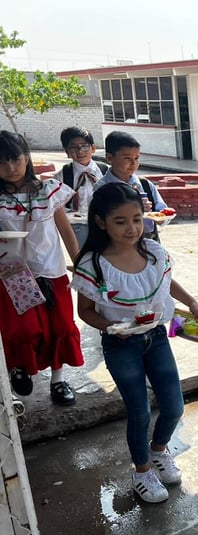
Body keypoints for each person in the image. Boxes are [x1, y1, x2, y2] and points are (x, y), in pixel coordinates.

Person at [71, 183, 198, 503]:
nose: (132, 228)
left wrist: (193, 304)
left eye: (137, 219)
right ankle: (142, 471)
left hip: (157, 337)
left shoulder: (154, 252)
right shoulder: (93, 264)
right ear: (101, 222)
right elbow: (85, 311)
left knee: (174, 406)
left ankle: (159, 451)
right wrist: (111, 327)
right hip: (121, 345)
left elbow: (168, 285)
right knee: (140, 412)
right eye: (121, 221)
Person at [0, 130, 83, 406]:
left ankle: (58, 380)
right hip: (13, 275)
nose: (11, 168)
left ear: (27, 157)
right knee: (22, 329)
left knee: (59, 326)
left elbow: (65, 229)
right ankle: (19, 368)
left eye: (15, 159)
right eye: (2, 162)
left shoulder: (48, 191)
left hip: (52, 271)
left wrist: (81, 264)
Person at [94, 131, 166, 241]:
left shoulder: (144, 184)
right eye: (127, 158)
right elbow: (99, 220)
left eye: (136, 158)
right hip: (115, 244)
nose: (133, 163)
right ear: (109, 158)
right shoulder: (101, 188)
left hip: (148, 241)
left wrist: (161, 217)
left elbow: (161, 211)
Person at [59, 126, 107, 247]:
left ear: (93, 148)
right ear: (67, 151)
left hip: (105, 225)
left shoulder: (106, 171)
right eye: (74, 147)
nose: (80, 151)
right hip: (76, 227)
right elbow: (57, 206)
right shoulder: (61, 176)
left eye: (84, 146)